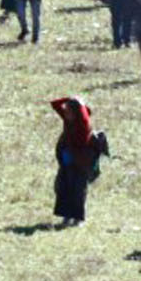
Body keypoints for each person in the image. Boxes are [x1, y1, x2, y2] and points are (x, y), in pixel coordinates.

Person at [52, 97, 106, 228]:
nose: (66, 113)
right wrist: (71, 99)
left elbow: (82, 146)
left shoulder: (83, 125)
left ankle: (77, 218)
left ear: (77, 112)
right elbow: (55, 104)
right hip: (67, 162)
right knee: (63, 188)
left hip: (80, 164)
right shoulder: (68, 121)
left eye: (69, 111)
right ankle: (66, 216)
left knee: (77, 190)